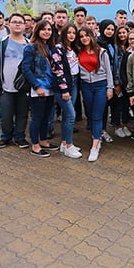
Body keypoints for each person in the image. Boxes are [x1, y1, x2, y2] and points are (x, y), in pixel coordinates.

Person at [0, 13, 30, 149]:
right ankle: (5, 136)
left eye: (20, 22)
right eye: (14, 22)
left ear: (25, 25)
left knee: (22, 114)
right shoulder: (0, 44)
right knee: (5, 115)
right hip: (5, 87)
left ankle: (20, 137)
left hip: (24, 88)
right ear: (8, 24)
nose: (17, 24)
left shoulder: (30, 45)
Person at [21, 20, 60, 158]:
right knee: (37, 117)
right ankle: (35, 145)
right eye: (43, 29)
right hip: (39, 88)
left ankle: (44, 141)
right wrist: (37, 86)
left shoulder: (50, 47)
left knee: (46, 117)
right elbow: (25, 69)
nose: (47, 32)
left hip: (50, 87)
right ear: (37, 31)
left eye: (49, 29)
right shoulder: (31, 47)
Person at [78, 27, 114, 162]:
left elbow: (108, 71)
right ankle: (97, 135)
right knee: (89, 114)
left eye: (86, 35)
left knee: (97, 115)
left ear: (92, 36)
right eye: (81, 36)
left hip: (100, 85)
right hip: (86, 86)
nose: (84, 38)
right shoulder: (78, 51)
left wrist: (109, 88)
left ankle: (95, 145)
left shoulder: (101, 51)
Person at [51, 23, 81, 158]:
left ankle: (64, 143)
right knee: (70, 115)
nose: (71, 35)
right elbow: (58, 70)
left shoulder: (74, 48)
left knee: (66, 114)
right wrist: (64, 90)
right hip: (63, 86)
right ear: (63, 33)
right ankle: (69, 145)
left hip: (74, 82)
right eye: (69, 32)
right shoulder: (58, 48)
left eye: (74, 33)